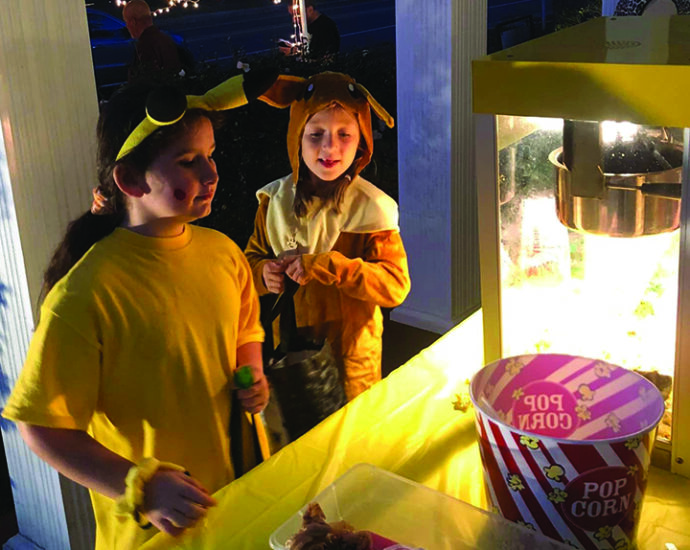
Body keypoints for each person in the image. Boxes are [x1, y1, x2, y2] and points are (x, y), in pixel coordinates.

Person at [1, 72, 276, 549]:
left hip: (241, 496)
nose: (211, 174)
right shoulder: (87, 293)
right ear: (130, 179)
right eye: (188, 162)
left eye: (210, 156)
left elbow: (244, 329)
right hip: (158, 531)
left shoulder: (224, 253)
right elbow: (41, 425)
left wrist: (249, 371)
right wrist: (142, 487)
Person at [245, 71, 411, 401]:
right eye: (315, 134)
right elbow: (249, 263)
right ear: (297, 136)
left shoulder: (371, 208)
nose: (330, 146)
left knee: (353, 432)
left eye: (344, 134)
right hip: (292, 357)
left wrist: (332, 266)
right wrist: (263, 274)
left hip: (352, 362)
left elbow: (394, 286)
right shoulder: (274, 202)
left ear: (361, 141)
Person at [123, 0, 184, 82]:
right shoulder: (166, 38)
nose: (127, 27)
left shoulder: (145, 45)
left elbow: (147, 79)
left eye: (126, 22)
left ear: (133, 22)